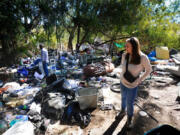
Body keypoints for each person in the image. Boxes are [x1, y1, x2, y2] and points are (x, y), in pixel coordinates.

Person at [116, 37, 152, 129]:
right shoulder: (125, 55)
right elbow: (122, 66)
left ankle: (129, 118)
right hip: (122, 82)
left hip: (132, 85)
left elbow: (149, 70)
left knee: (129, 103)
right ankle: (122, 111)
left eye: (127, 46)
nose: (125, 47)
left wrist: (140, 79)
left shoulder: (143, 57)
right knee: (123, 98)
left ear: (134, 47)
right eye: (125, 45)